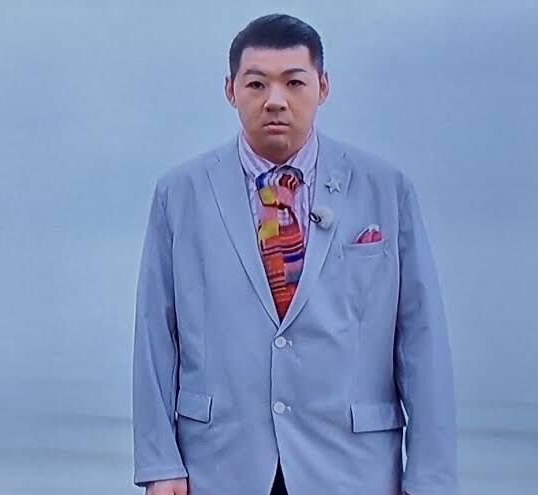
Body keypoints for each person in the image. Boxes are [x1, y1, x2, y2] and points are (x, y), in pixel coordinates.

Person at [132, 13, 457, 495]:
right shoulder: (180, 194)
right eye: (256, 83)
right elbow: (155, 334)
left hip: (354, 469)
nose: (275, 100)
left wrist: (430, 480)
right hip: (218, 467)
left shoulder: (386, 190)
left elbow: (421, 340)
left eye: (294, 82)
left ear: (323, 87)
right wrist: (161, 462)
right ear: (230, 90)